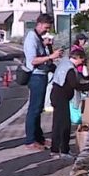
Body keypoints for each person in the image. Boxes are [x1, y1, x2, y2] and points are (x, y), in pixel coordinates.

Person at [23, 14, 63, 150]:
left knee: (38, 108)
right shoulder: (31, 38)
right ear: (39, 24)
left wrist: (46, 46)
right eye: (45, 28)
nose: (46, 31)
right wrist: (51, 56)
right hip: (36, 76)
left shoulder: (38, 38)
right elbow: (32, 60)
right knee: (34, 109)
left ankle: (38, 138)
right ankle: (30, 140)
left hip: (42, 75)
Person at [50, 49, 88, 159]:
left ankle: (55, 150)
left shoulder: (64, 63)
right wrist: (87, 87)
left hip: (56, 95)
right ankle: (64, 151)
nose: (82, 63)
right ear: (78, 58)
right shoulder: (70, 69)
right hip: (61, 97)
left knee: (57, 124)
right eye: (82, 60)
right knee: (64, 125)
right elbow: (74, 84)